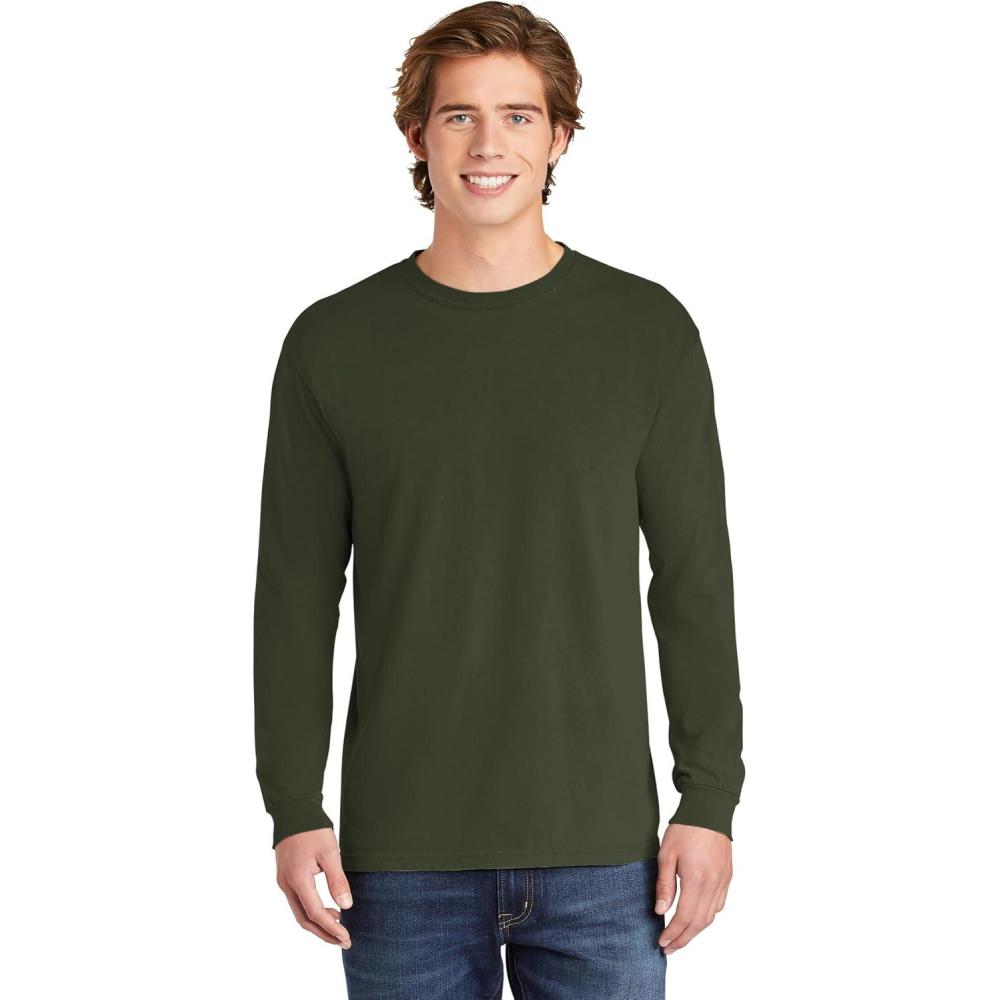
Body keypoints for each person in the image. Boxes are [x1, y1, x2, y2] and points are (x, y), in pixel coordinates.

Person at [253, 3, 745, 996]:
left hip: (606, 856)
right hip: (399, 859)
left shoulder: (646, 333)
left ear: (559, 136)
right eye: (459, 116)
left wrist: (709, 799)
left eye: (519, 116)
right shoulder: (333, 343)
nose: (489, 144)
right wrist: (293, 804)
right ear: (416, 135)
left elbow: (693, 581)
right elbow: (295, 596)